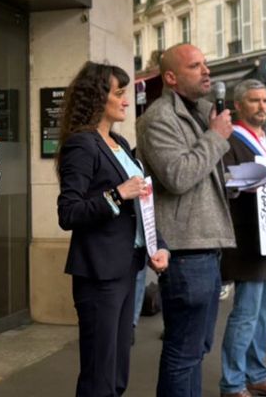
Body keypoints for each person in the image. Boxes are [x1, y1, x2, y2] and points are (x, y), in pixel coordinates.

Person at [57, 61, 170, 396]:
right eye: (119, 92)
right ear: (97, 97)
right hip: (99, 274)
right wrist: (117, 194)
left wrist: (158, 246)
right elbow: (68, 212)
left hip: (129, 267)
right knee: (100, 376)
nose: (126, 100)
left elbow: (141, 204)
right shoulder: (82, 144)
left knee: (117, 372)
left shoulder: (118, 141)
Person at [136, 44, 234, 397]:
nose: (206, 71)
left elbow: (202, 173)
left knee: (197, 348)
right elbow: (177, 176)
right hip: (185, 248)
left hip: (206, 243)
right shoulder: (158, 119)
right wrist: (216, 137)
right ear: (171, 77)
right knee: (184, 352)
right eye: (195, 66)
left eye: (206, 64)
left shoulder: (205, 113)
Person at [218, 80, 266, 397]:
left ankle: (257, 374)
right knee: (246, 314)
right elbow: (223, 183)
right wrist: (257, 175)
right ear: (238, 105)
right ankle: (233, 383)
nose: (262, 106)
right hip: (249, 238)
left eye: (265, 100)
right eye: (254, 101)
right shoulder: (229, 139)